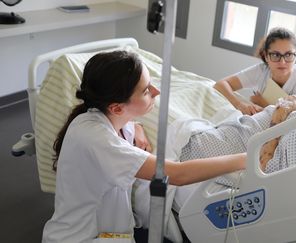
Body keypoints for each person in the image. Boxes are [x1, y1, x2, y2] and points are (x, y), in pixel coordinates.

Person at [42, 51, 246, 243]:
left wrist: (137, 127)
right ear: (116, 107)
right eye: (147, 90)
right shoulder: (95, 137)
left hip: (113, 234)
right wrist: (244, 159)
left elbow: (124, 125)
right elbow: (177, 174)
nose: (156, 91)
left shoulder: (111, 118)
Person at [213, 27, 296, 115]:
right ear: (266, 56)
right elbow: (220, 84)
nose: (282, 62)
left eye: (288, 55)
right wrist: (240, 105)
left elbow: (294, 122)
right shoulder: (262, 70)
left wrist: (262, 102)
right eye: (275, 55)